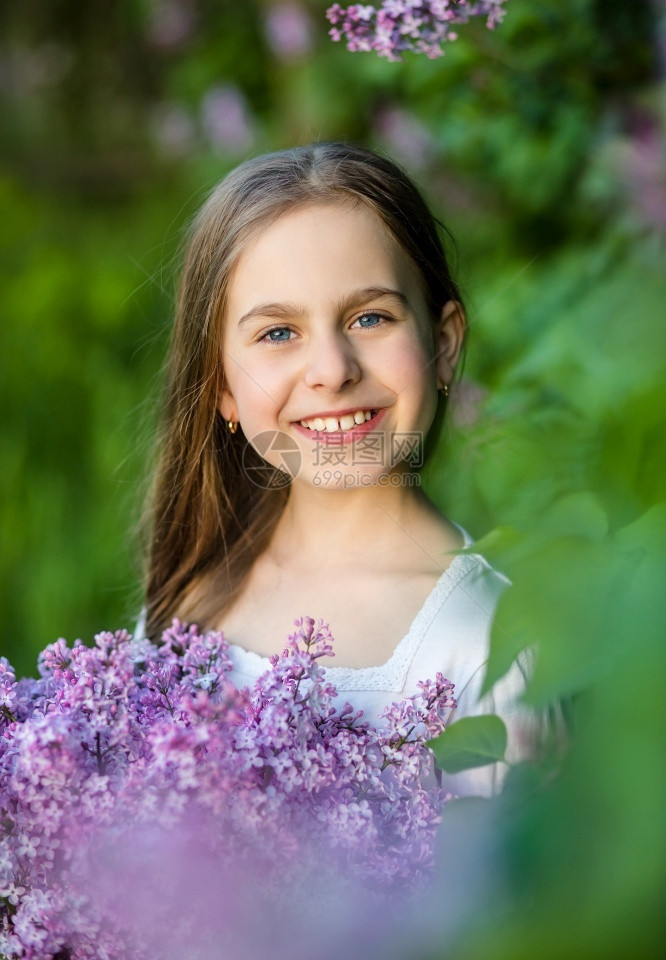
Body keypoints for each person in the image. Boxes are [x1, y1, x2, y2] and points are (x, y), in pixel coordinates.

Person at [137, 141, 538, 796]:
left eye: (370, 317)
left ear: (443, 345)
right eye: (277, 333)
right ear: (222, 388)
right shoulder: (192, 595)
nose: (332, 369)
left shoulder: (493, 646)